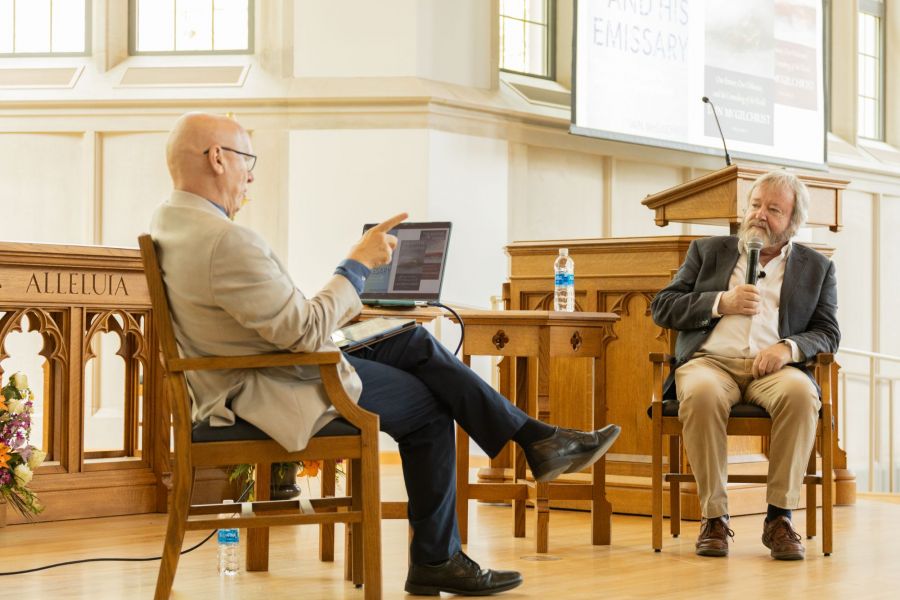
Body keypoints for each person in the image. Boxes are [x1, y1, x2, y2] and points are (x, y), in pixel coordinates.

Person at [151, 112, 621, 595]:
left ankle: (537, 441)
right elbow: (303, 327)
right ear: (217, 159)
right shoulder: (227, 239)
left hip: (251, 372)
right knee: (429, 406)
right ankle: (443, 553)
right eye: (247, 159)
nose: (251, 174)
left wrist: (349, 288)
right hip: (266, 389)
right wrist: (354, 267)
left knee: (410, 339)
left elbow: (281, 323)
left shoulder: (173, 223)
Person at [650, 170, 840, 561]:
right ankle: (714, 518)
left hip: (773, 369)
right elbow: (662, 307)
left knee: (803, 395)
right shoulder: (708, 251)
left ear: (792, 221)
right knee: (700, 394)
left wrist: (788, 347)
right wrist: (721, 301)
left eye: (773, 209)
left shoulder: (816, 267)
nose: (760, 215)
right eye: (755, 205)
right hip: (709, 362)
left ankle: (779, 519)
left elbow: (827, 332)